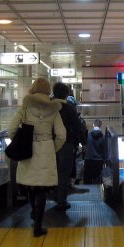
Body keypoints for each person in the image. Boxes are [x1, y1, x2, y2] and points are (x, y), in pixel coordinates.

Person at [8, 77, 65, 237]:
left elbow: (11, 129)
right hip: (46, 148)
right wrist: (52, 148)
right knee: (42, 188)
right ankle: (38, 226)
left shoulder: (25, 106)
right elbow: (61, 135)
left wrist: (20, 142)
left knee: (31, 184)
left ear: (33, 88)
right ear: (48, 91)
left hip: (28, 148)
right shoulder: (54, 109)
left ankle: (34, 213)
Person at [52, 82, 87, 211]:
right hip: (66, 144)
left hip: (49, 144)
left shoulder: (48, 106)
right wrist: (84, 143)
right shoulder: (69, 108)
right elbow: (78, 127)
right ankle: (61, 200)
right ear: (67, 94)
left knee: (53, 171)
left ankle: (54, 195)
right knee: (64, 173)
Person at [83, 119, 105, 184]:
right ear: (100, 126)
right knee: (97, 182)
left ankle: (87, 193)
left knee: (87, 181)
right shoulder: (103, 137)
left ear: (93, 125)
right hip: (98, 160)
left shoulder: (88, 135)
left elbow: (84, 147)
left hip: (88, 159)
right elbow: (104, 149)